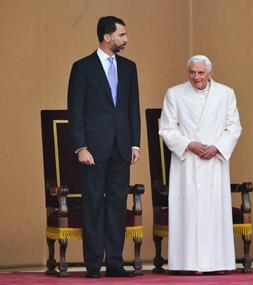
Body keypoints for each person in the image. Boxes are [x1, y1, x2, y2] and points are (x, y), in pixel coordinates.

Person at [67, 16, 141, 278]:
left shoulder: (129, 67)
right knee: (94, 204)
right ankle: (93, 264)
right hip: (93, 150)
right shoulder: (83, 68)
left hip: (121, 148)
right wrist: (80, 147)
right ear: (107, 37)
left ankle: (115, 263)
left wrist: (135, 143)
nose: (126, 39)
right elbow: (75, 111)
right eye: (122, 34)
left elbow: (133, 107)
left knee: (117, 206)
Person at [159, 55, 242, 274]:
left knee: (213, 212)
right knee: (188, 213)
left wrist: (217, 148)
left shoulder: (226, 93)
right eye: (192, 72)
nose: (196, 77)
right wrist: (189, 144)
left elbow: (234, 127)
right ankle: (187, 263)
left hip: (214, 161)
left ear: (210, 73)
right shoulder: (174, 94)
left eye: (201, 73)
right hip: (186, 162)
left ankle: (217, 263)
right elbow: (167, 129)